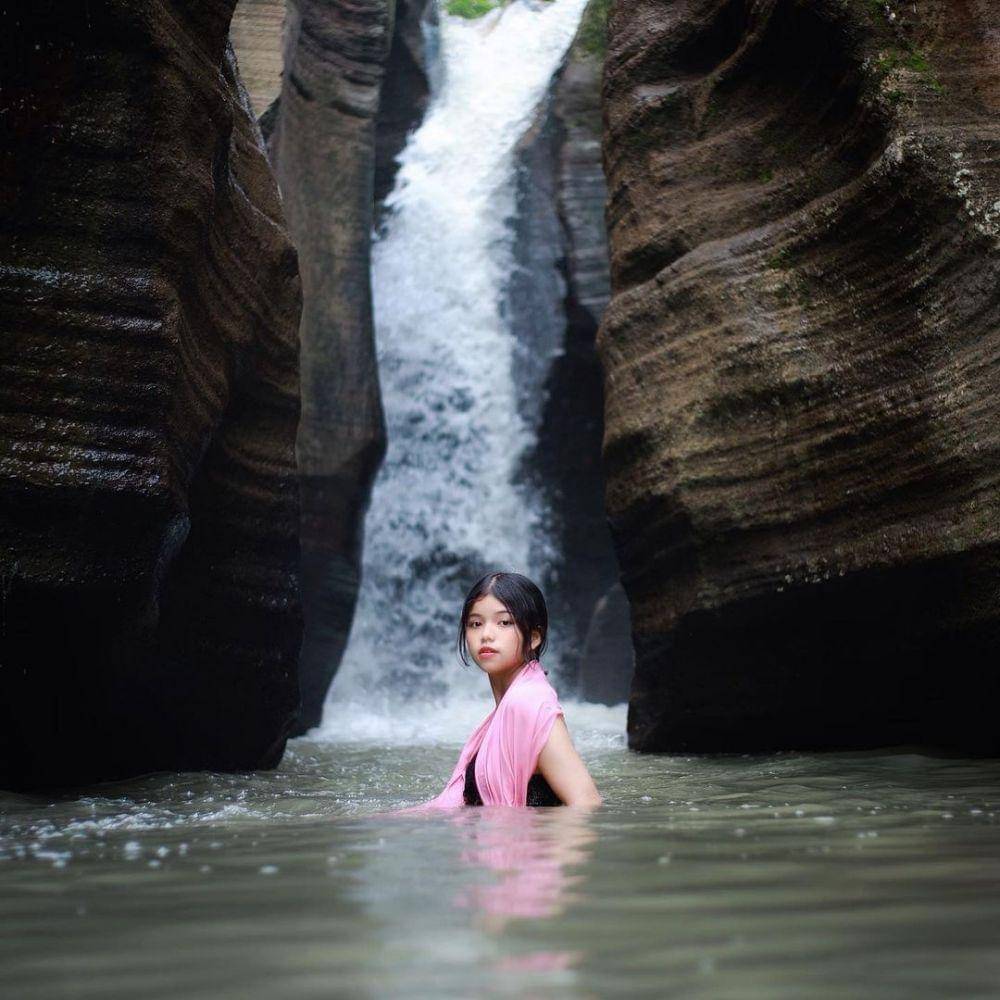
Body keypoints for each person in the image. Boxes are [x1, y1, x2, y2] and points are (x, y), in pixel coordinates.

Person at [422, 571, 603, 810]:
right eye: (476, 624)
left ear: (534, 637)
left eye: (504, 622)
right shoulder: (512, 707)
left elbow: (586, 803)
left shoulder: (529, 704)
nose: (486, 635)